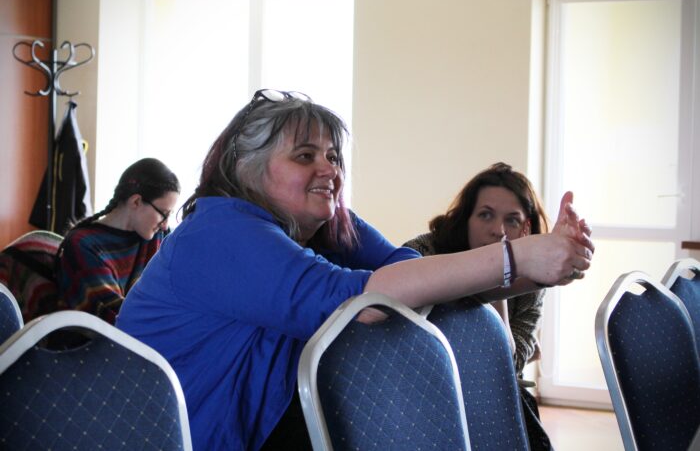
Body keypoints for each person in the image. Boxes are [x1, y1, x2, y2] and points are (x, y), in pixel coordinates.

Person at [115, 89, 593, 451]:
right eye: (305, 156)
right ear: (248, 166)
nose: (330, 170)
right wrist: (518, 258)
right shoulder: (220, 231)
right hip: (192, 436)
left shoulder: (324, 223)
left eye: (333, 156)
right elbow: (364, 301)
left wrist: (534, 267)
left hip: (270, 422)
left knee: (442, 324)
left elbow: (403, 267)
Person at [403, 162, 559, 450]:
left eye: (512, 220)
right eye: (485, 215)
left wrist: (498, 279)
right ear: (466, 219)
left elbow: (507, 367)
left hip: (494, 397)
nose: (497, 230)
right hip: (422, 395)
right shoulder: (423, 251)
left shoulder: (532, 279)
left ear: (526, 229)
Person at [56, 157, 180, 324]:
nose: (165, 225)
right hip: (100, 344)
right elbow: (115, 317)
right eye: (163, 213)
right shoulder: (83, 244)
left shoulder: (158, 236)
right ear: (136, 201)